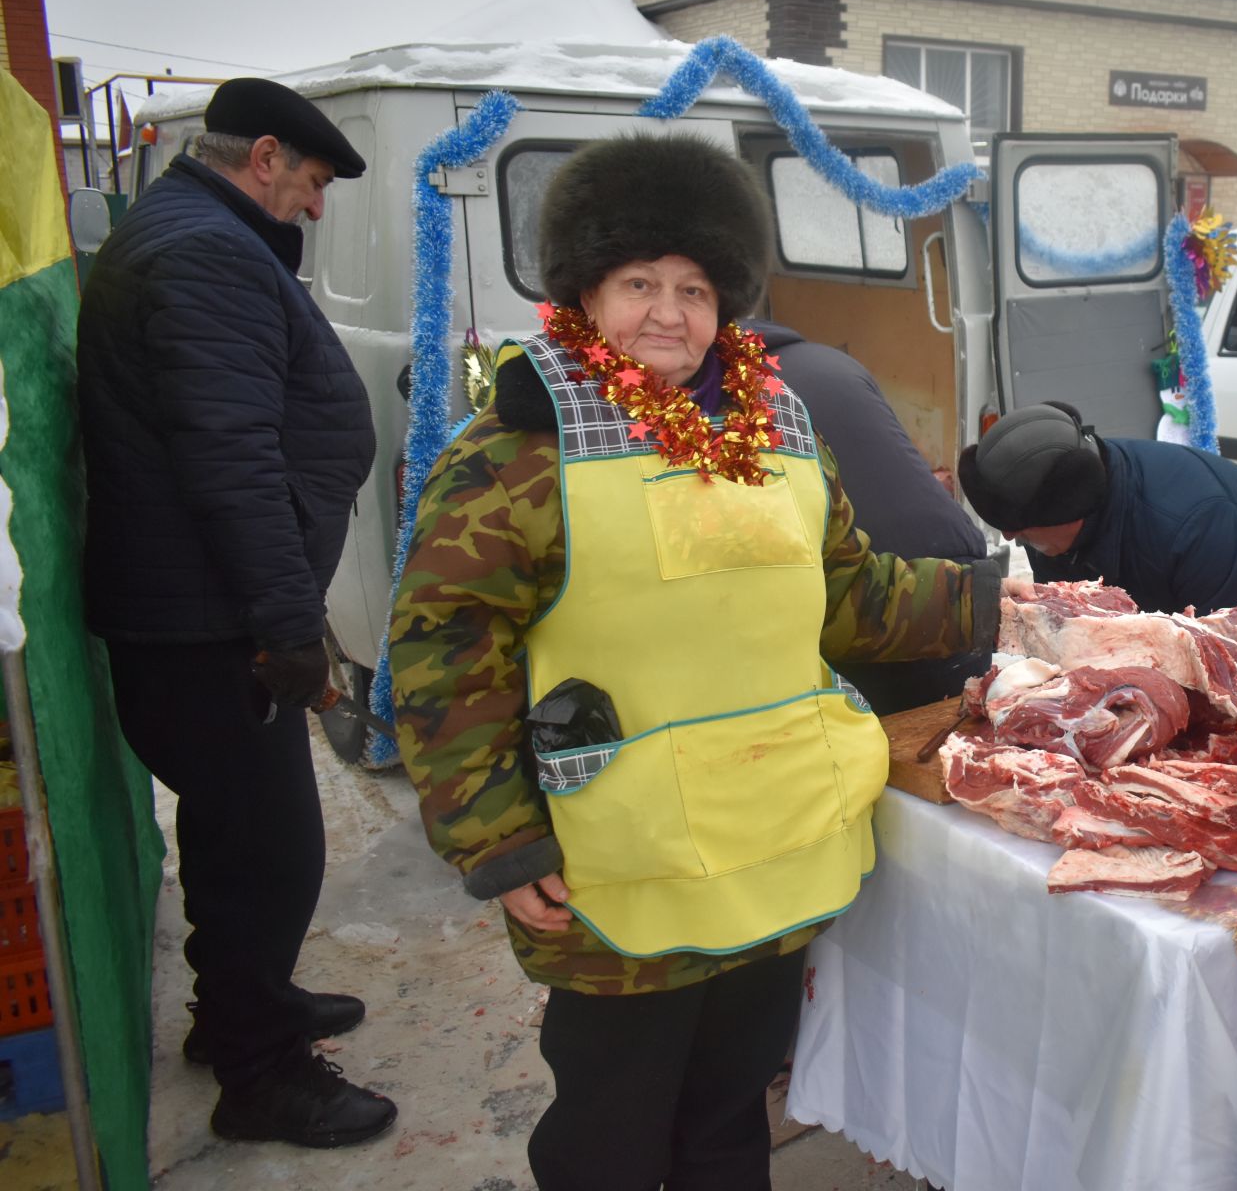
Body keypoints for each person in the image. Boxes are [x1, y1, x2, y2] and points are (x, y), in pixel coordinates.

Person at [387, 133, 1004, 1190]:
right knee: (610, 1131)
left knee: (727, 1120)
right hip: (618, 864)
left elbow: (845, 593)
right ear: (585, 292)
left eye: (694, 287)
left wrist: (999, 599)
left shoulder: (781, 424)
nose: (668, 312)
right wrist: (497, 837)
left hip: (774, 844)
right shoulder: (514, 452)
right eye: (639, 283)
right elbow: (445, 651)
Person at [75, 78, 392, 1145]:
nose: (311, 206)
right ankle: (262, 1074)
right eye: (309, 183)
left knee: (230, 829)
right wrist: (289, 621)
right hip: (209, 619)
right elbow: (233, 456)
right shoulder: (205, 252)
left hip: (194, 607)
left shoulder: (188, 229)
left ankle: (235, 1009)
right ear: (263, 157)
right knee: (272, 848)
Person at [755, 318, 992, 714]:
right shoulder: (830, 360)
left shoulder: (742, 396)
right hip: (952, 564)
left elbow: (839, 593)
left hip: (890, 598)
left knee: (912, 746)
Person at [958, 401, 1237, 613]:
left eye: (1023, 531)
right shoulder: (1052, 512)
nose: (1014, 538)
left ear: (1071, 509)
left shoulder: (1193, 523)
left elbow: (1231, 659)